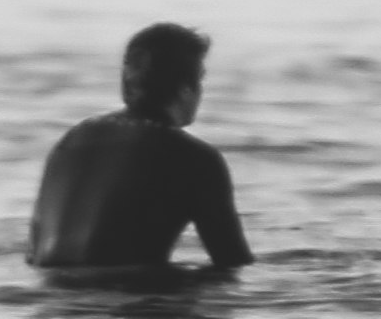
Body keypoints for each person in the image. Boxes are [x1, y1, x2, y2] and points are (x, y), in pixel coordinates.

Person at [25, 22, 253, 275]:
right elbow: (231, 263)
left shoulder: (71, 141)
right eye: (200, 78)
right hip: (128, 300)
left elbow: (34, 255)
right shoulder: (194, 158)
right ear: (186, 89)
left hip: (54, 301)